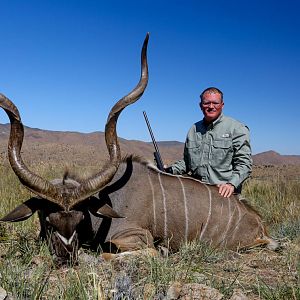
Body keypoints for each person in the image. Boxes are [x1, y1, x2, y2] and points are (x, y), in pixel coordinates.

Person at [165, 87, 252, 198]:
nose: (211, 107)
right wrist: (169, 170)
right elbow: (187, 162)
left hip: (224, 194)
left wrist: (231, 184)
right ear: (200, 105)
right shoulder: (194, 129)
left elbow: (244, 164)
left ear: (222, 105)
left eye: (215, 103)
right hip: (197, 193)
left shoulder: (237, 128)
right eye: (207, 103)